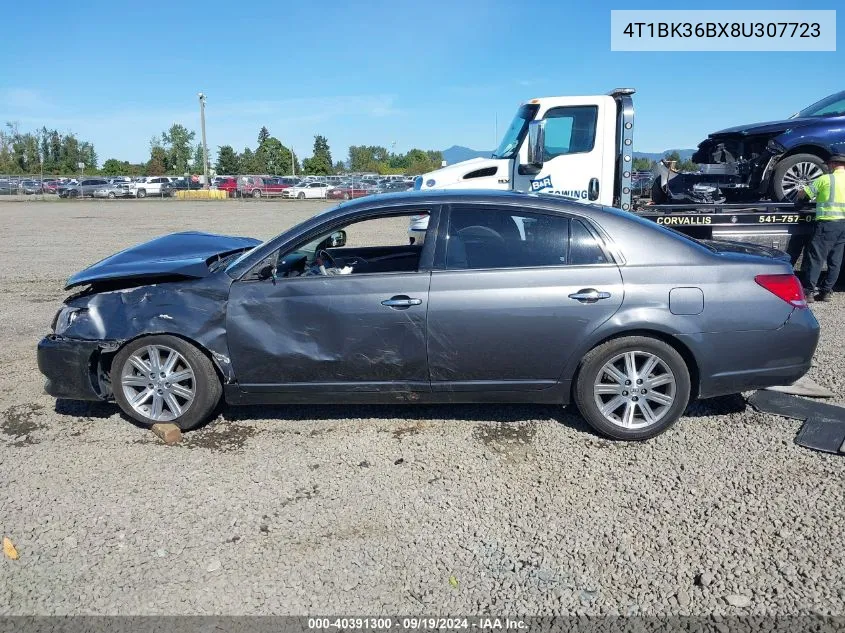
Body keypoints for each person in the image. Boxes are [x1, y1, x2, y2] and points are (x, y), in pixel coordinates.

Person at [796, 154, 845, 302]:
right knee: (835, 260)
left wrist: (800, 191)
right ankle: (826, 292)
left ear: (833, 164)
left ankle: (809, 291)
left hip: (827, 224)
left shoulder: (826, 179)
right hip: (843, 225)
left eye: (828, 164)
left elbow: (804, 195)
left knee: (816, 258)